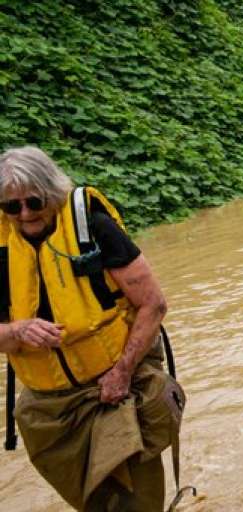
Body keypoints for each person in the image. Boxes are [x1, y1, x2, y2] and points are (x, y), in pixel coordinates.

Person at [0, 146, 185, 510]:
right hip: (50, 409)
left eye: (34, 202)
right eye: (11, 206)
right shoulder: (2, 243)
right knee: (93, 503)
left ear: (51, 192)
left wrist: (122, 373)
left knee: (137, 501)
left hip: (115, 389)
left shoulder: (92, 224)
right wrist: (18, 331)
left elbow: (153, 304)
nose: (24, 214)